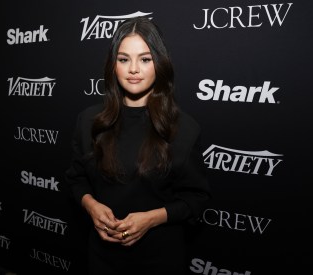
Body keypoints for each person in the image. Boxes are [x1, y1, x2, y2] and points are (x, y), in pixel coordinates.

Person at [65, 16, 211, 275]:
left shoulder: (183, 128)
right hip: (102, 257)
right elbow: (76, 179)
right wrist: (91, 205)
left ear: (160, 63)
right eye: (124, 59)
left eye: (145, 59)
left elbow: (195, 199)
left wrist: (151, 219)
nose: (133, 69)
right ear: (113, 66)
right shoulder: (88, 120)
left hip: (160, 259)